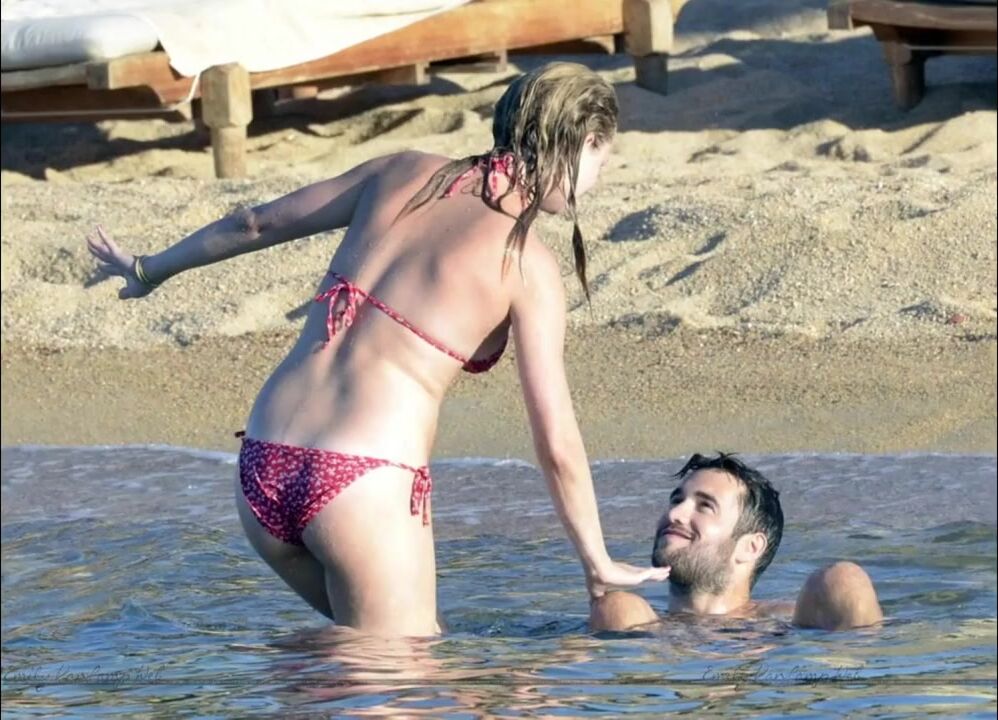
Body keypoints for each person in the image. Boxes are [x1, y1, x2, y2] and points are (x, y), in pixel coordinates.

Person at [87, 62, 669, 637]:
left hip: (263, 461)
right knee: (401, 669)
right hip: (361, 483)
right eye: (602, 159)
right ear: (585, 142)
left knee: (376, 660)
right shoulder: (528, 265)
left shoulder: (400, 169)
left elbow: (255, 223)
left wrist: (148, 269)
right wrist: (596, 560)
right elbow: (557, 441)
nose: (597, 177)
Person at [589, 453, 884, 632]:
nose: (674, 514)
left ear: (750, 547)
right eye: (677, 500)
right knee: (617, 608)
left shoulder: (788, 622)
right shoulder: (633, 620)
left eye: (705, 506)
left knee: (844, 581)